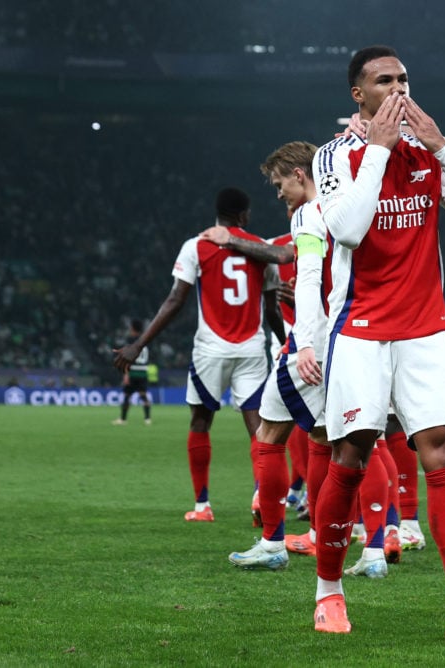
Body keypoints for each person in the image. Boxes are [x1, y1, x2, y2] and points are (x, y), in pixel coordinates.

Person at [310, 45, 445, 642]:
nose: (399, 90)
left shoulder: (427, 158)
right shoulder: (336, 155)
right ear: (359, 94)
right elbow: (347, 228)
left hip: (427, 329)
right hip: (360, 331)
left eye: (404, 79)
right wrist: (378, 150)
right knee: (349, 458)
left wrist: (442, 150)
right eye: (384, 81)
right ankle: (328, 593)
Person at [113, 187, 283, 522]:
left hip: (211, 349)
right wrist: (287, 344)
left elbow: (175, 300)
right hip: (251, 347)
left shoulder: (196, 246)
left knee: (201, 421)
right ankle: (261, 494)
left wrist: (139, 344)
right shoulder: (261, 249)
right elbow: (272, 309)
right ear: (244, 215)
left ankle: (203, 506)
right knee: (259, 427)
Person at [216, 141, 335, 570]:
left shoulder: (309, 213)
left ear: (300, 175)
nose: (279, 193)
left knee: (268, 438)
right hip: (342, 338)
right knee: (324, 440)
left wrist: (301, 341)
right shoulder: (347, 208)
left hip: (308, 345)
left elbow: (305, 278)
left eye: (280, 182)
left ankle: (272, 544)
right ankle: (326, 534)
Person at [112, 319, 152, 425]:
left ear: (133, 328)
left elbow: (128, 357)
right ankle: (147, 419)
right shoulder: (145, 340)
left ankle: (123, 419)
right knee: (143, 395)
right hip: (143, 371)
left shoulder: (131, 340)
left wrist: (126, 374)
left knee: (127, 395)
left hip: (133, 371)